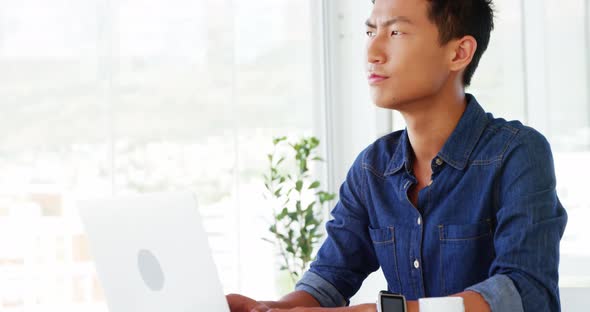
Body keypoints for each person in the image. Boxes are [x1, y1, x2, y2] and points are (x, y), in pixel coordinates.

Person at [227, 0, 568, 311]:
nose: (372, 51)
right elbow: (329, 279)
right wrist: (269, 308)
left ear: (459, 53)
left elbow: (525, 291)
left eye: (396, 32)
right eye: (370, 31)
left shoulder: (517, 153)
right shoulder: (371, 168)